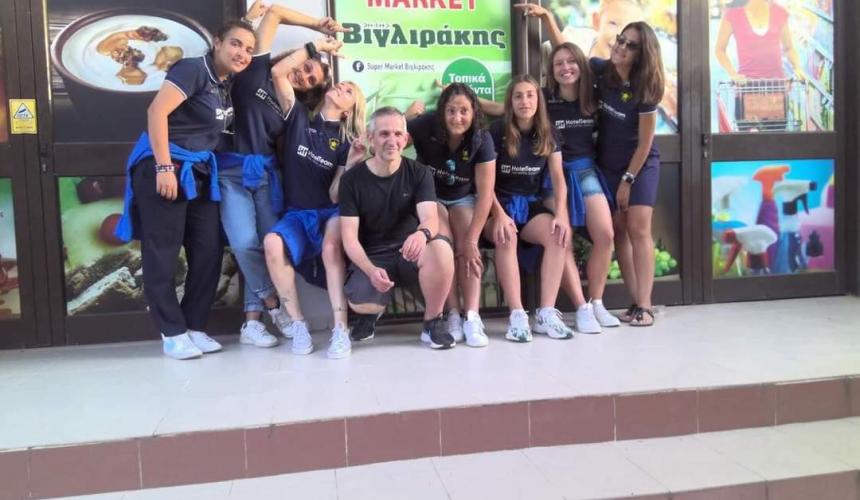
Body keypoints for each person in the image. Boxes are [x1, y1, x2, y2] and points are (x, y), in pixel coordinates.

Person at [115, 20, 256, 359]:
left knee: (208, 251)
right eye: (235, 44)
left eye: (249, 49)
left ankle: (194, 326)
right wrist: (164, 167)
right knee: (162, 252)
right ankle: (172, 332)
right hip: (165, 166)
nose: (242, 53)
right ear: (217, 42)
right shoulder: (193, 69)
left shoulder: (224, 83)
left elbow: (254, 43)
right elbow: (156, 112)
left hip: (199, 171)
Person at [215, 2, 350, 348]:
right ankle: (273, 304)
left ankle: (252, 322)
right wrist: (318, 27)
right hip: (231, 169)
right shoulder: (258, 66)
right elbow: (273, 12)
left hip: (267, 176)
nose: (303, 75)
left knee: (268, 245)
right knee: (243, 243)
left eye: (311, 79)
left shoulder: (295, 109)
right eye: (305, 68)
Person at [262, 44, 367, 358]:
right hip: (297, 214)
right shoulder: (298, 116)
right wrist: (316, 47)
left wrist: (351, 163)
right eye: (341, 84)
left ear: (348, 110)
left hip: (329, 213)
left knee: (332, 247)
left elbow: (335, 194)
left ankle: (340, 330)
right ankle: (298, 325)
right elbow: (277, 72)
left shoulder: (346, 142)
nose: (341, 88)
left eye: (348, 92)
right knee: (271, 243)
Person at [339, 107, 456, 349]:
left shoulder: (419, 172)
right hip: (373, 258)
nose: (391, 141)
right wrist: (370, 270)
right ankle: (372, 312)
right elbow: (349, 238)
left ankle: (432, 323)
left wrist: (422, 234)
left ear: (405, 139)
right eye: (384, 134)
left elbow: (430, 218)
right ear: (371, 138)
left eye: (397, 134)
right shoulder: (351, 180)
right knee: (361, 302)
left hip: (409, 253)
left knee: (441, 249)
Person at [404, 84, 496, 348]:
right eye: (451, 111)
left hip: (464, 198)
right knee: (443, 244)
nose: (457, 118)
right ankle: (453, 313)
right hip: (431, 196)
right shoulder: (425, 125)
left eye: (464, 111)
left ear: (473, 112)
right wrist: (407, 116)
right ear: (442, 112)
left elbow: (486, 194)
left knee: (467, 242)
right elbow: (392, 134)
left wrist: (472, 241)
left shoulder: (482, 138)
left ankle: (472, 316)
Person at [486, 75, 575, 342]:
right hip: (496, 207)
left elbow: (558, 179)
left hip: (529, 204)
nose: (524, 101)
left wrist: (561, 214)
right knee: (506, 236)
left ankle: (546, 314)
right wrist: (499, 214)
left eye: (530, 95)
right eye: (518, 96)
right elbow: (484, 183)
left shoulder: (548, 133)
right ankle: (517, 315)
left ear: (538, 100)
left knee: (557, 235)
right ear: (510, 102)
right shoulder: (496, 131)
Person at [592, 22, 666, 326]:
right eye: (620, 40)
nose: (621, 47)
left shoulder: (645, 89)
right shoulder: (603, 71)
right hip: (608, 164)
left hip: (640, 165)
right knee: (619, 230)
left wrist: (628, 180)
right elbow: (568, 55)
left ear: (642, 53)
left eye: (630, 45)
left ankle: (646, 307)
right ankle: (635, 302)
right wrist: (546, 19)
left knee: (638, 228)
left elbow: (645, 143)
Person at [714, 0, 804, 82]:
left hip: (776, 84)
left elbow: (789, 48)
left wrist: (797, 68)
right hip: (747, 85)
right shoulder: (732, 15)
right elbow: (720, 50)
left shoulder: (779, 12)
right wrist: (733, 74)